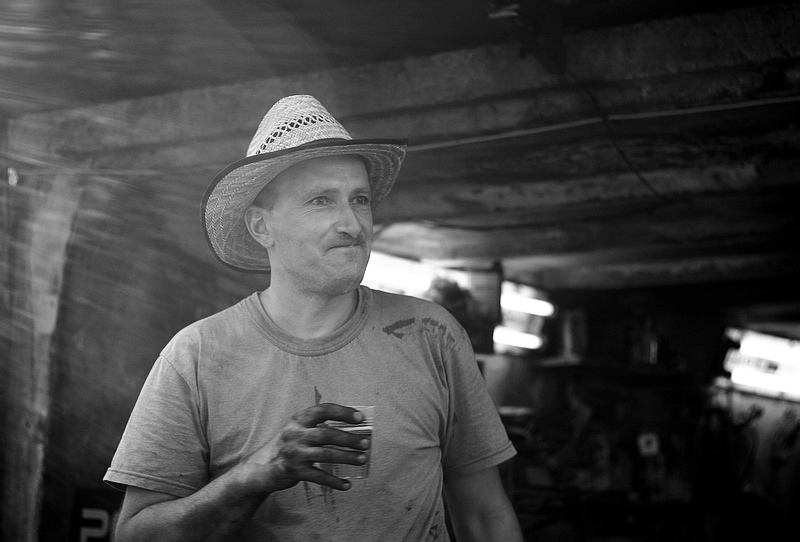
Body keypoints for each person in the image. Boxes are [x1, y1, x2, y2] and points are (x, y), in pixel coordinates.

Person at [104, 94, 523, 541]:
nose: (352, 224)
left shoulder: (431, 335)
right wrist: (254, 476)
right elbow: (135, 535)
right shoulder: (196, 356)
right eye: (321, 200)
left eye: (359, 199)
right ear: (261, 226)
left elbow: (484, 516)